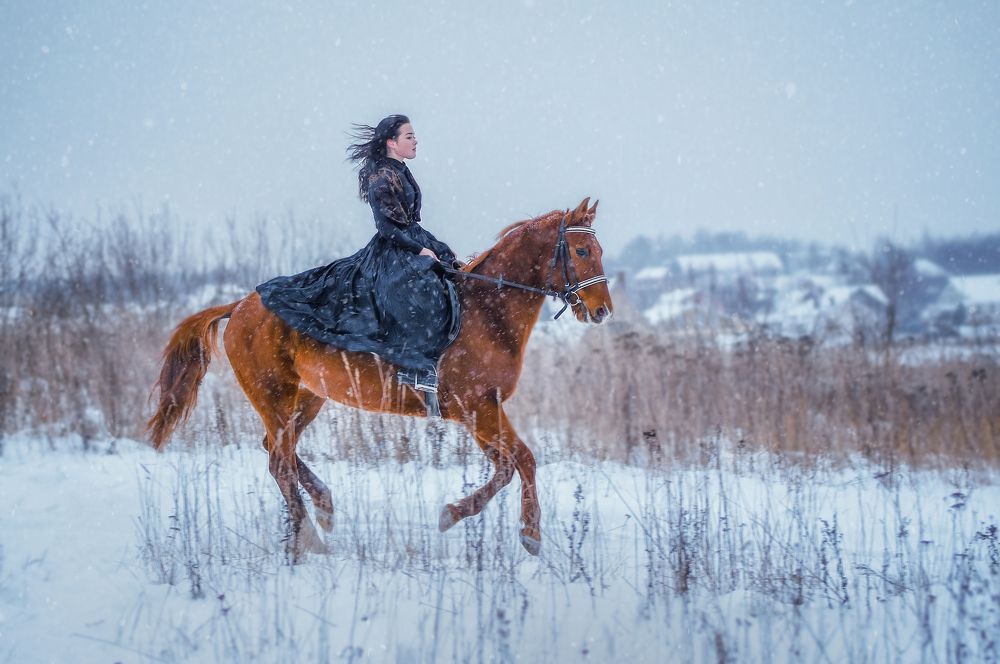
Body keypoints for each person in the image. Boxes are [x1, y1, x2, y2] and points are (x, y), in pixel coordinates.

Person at [256, 114, 461, 416]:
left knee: (451, 276)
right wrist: (420, 250)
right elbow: (388, 228)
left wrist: (439, 250)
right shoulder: (381, 176)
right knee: (417, 290)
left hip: (409, 241)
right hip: (392, 250)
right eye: (409, 136)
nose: (415, 140)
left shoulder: (400, 170)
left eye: (413, 136)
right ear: (392, 142)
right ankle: (413, 367)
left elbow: (410, 222)